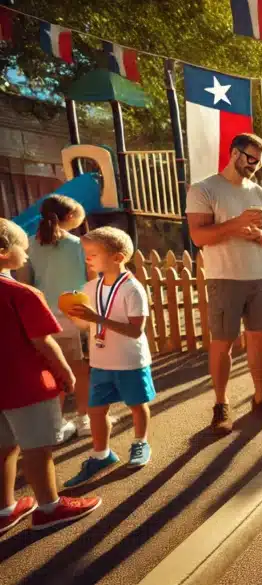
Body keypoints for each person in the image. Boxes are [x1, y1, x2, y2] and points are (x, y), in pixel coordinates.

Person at [0, 218, 101, 533]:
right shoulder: (22, 293)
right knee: (37, 448)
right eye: (23, 249)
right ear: (4, 251)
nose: (27, 255)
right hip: (27, 385)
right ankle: (49, 507)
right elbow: (42, 340)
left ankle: (4, 508)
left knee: (4, 447)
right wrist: (66, 372)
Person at [186, 133, 262, 434]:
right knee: (222, 344)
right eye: (250, 158)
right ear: (234, 153)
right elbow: (198, 236)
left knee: (259, 340)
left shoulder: (260, 193)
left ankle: (261, 398)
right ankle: (221, 405)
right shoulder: (204, 189)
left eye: (259, 162)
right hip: (224, 278)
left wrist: (261, 235)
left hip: (258, 277)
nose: (255, 166)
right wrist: (237, 224)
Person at [63, 227, 156, 486]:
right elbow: (88, 326)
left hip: (129, 361)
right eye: (86, 253)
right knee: (95, 410)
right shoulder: (90, 287)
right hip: (100, 361)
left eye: (93, 253)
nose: (87, 258)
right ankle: (101, 454)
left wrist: (97, 318)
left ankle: (140, 443)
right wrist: (76, 317)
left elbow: (135, 330)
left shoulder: (132, 289)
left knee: (137, 405)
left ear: (117, 257)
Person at [24, 195, 90, 440]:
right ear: (70, 217)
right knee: (81, 371)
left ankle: (55, 422)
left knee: (52, 371)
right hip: (76, 316)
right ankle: (84, 419)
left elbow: (26, 283)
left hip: (44, 319)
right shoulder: (80, 245)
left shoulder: (29, 245)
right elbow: (91, 279)